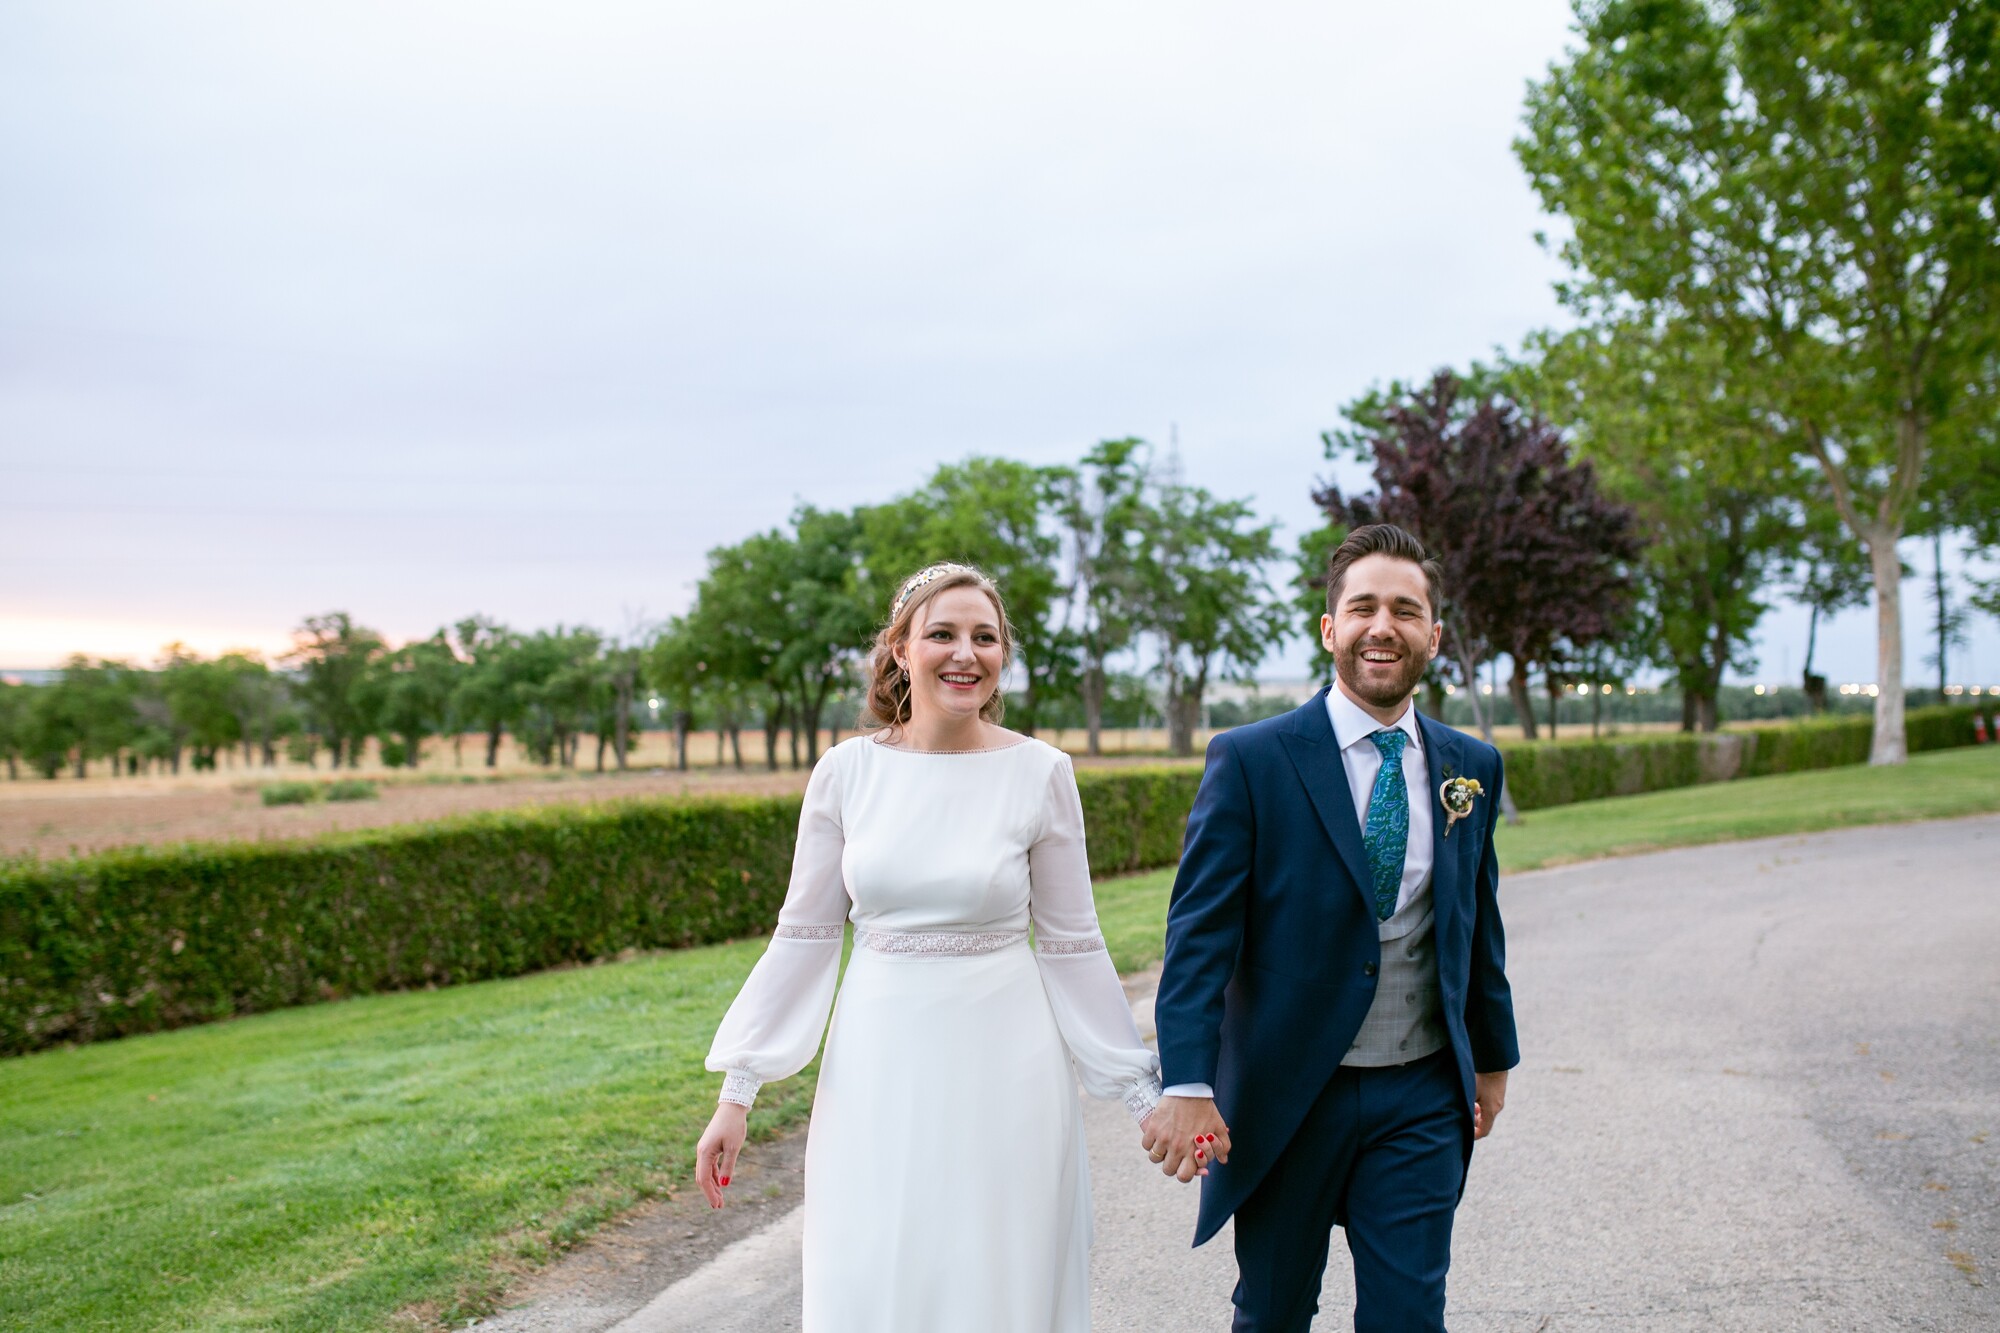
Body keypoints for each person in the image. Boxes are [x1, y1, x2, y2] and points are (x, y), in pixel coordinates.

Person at [693, 561, 1163, 1332]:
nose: (964, 653)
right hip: (878, 1064)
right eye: (941, 633)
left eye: (985, 636)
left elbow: (1074, 944)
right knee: (877, 1263)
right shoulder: (845, 774)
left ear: (1003, 655)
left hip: (1010, 1067)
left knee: (1000, 1271)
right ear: (900, 649)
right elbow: (805, 937)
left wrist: (1139, 1092)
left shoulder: (1042, 773)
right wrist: (737, 1093)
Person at [1144, 523, 1519, 1332]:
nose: (1383, 626)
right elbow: (1198, 941)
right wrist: (1187, 1083)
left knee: (1410, 1316)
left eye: (1405, 610)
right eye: (1363, 608)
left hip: (1420, 1090)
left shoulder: (1470, 766)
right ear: (1330, 628)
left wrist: (1492, 1058)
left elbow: (1475, 924)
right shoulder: (1252, 760)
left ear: (1434, 635)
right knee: (1274, 1311)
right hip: (1288, 1096)